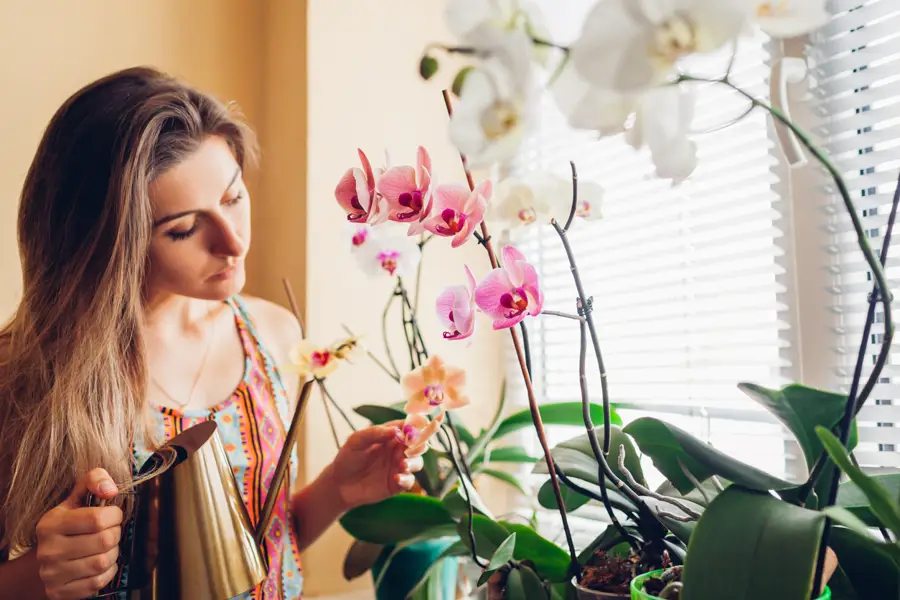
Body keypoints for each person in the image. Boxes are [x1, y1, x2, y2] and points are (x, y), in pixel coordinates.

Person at [0, 66, 421, 600]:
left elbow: (254, 551)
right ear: (107, 242)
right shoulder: (24, 376)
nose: (232, 242)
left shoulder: (272, 335)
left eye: (233, 198)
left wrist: (337, 490)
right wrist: (38, 576)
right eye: (182, 229)